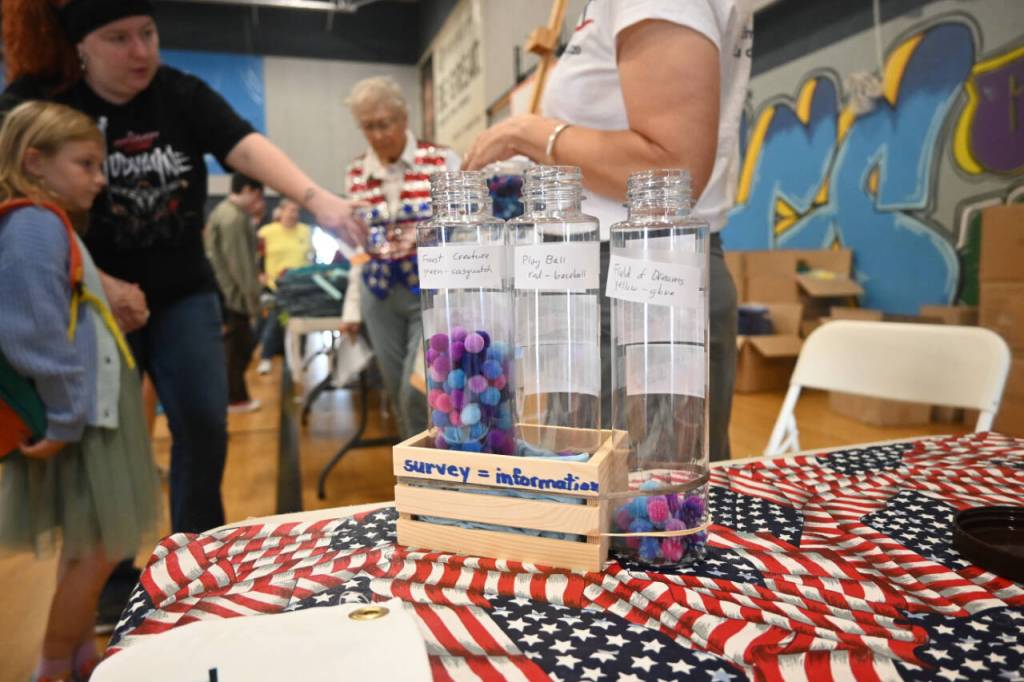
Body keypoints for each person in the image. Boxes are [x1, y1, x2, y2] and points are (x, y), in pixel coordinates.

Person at [0, 0, 367, 632]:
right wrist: (97, 279)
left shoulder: (180, 94)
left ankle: (194, 562)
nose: (141, 50)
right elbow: (18, 196)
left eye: (148, 33)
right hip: (92, 302)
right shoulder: (43, 99)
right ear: (82, 47)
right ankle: (110, 577)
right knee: (101, 437)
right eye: (119, 38)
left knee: (202, 421)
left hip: (182, 292)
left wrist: (316, 199)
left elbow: (245, 146)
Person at [464, 0, 753, 462]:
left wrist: (530, 133)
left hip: (639, 277)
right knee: (591, 496)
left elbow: (670, 171)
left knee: (638, 504)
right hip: (603, 274)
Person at [0, 101, 162, 682]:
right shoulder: (34, 225)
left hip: (89, 407)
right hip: (83, 414)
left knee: (88, 547)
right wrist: (66, 417)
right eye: (87, 164)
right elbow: (32, 330)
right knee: (96, 549)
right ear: (34, 162)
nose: (99, 179)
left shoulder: (46, 223)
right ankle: (52, 664)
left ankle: (76, 658)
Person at [342, 76, 460, 440]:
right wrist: (351, 308)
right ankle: (414, 477)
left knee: (420, 390)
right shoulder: (356, 173)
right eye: (368, 127)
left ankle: (439, 465)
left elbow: (460, 233)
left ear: (403, 118)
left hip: (431, 291)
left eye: (384, 123)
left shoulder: (441, 161)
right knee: (396, 392)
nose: (377, 135)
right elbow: (357, 247)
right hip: (379, 297)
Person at [204, 173, 265, 413]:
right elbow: (240, 265)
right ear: (248, 189)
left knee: (237, 347)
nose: (258, 203)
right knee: (238, 348)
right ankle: (234, 398)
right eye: (258, 196)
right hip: (232, 295)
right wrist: (253, 300)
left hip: (225, 292)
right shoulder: (233, 218)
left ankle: (235, 396)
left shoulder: (224, 212)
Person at [256, 198, 313, 375]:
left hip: (301, 285)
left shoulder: (305, 231)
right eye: (290, 210)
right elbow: (257, 255)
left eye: (296, 210)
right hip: (276, 285)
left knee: (301, 323)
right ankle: (266, 357)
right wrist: (259, 274)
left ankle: (299, 358)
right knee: (274, 321)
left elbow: (311, 256)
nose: (293, 214)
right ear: (280, 212)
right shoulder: (267, 232)